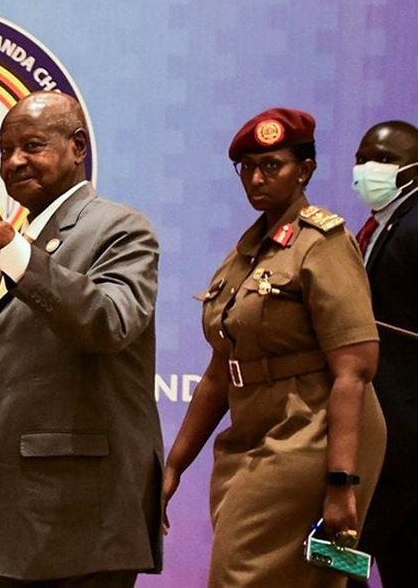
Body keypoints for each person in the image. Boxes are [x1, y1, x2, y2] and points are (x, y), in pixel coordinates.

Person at [162, 107, 387, 587]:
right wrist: (174, 466)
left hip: (312, 431)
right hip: (252, 433)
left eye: (272, 165)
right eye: (248, 166)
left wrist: (342, 483)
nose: (257, 178)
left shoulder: (323, 243)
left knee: (238, 576)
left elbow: (355, 370)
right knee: (309, 577)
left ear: (304, 170)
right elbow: (220, 373)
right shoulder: (248, 252)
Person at [0, 91, 163, 587]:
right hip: (9, 538)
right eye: (5, 150)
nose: (15, 161)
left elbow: (110, 322)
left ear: (78, 146)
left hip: (78, 530)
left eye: (33, 145)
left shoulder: (120, 228)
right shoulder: (25, 241)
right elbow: (2, 407)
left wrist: (16, 257)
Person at [349, 121, 418, 586]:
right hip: (383, 426)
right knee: (403, 554)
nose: (366, 169)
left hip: (402, 431)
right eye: (361, 158)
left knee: (344, 551)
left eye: (384, 159)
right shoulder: (385, 222)